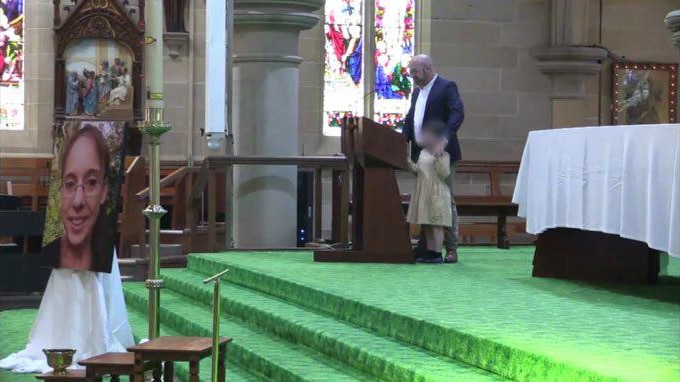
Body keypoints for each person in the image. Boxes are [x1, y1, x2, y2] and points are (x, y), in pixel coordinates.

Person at [402, 54, 464, 263]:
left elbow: (457, 113)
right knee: (425, 201)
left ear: (427, 69)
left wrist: (444, 139)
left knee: (444, 201)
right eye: (411, 72)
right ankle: (427, 248)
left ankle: (451, 248)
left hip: (441, 155)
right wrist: (401, 142)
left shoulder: (446, 87)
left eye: (415, 72)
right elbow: (411, 120)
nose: (412, 77)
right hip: (421, 156)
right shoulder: (416, 93)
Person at [42, 125, 112, 273]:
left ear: (104, 190)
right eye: (69, 184)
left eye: (91, 182)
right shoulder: (47, 256)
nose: (77, 201)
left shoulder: (106, 260)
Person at [406, 121, 452, 263]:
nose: (424, 138)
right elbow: (417, 171)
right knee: (427, 223)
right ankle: (429, 252)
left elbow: (444, 173)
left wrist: (438, 157)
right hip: (424, 191)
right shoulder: (423, 153)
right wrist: (407, 161)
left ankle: (437, 253)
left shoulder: (443, 155)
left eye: (427, 135)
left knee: (436, 224)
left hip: (436, 192)